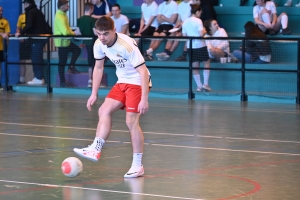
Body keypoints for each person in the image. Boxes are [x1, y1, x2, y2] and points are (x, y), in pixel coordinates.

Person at [73, 16, 152, 178]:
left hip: (137, 82)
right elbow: (98, 67)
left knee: (131, 121)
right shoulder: (98, 44)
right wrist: (94, 93)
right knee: (103, 110)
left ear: (114, 30)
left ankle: (138, 165)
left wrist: (144, 98)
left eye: (106, 34)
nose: (102, 37)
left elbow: (143, 71)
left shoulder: (127, 45)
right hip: (122, 81)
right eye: (99, 33)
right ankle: (96, 149)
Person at [182, 4, 211, 92]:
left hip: (190, 46)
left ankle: (199, 86)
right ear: (197, 11)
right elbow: (201, 34)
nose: (201, 14)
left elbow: (184, 35)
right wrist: (205, 30)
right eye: (200, 12)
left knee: (195, 67)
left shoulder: (185, 21)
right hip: (200, 45)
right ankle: (205, 84)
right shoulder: (198, 21)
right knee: (206, 63)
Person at [54, 0, 81, 87]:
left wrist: (73, 32)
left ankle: (71, 67)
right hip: (62, 43)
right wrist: (74, 33)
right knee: (62, 62)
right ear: (62, 6)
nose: (68, 7)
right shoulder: (59, 16)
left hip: (66, 42)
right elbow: (65, 32)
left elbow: (67, 28)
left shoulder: (64, 15)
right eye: (67, 5)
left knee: (77, 50)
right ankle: (62, 82)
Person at [77, 2, 97, 87]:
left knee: (90, 61)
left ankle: (90, 80)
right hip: (92, 43)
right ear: (91, 9)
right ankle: (92, 80)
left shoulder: (79, 20)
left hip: (85, 42)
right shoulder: (92, 20)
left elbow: (78, 32)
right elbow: (95, 33)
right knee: (93, 61)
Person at [16, 12, 32, 84]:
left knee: (34, 60)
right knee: (22, 61)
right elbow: (18, 28)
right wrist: (20, 36)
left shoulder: (33, 15)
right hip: (23, 42)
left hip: (32, 41)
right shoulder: (21, 16)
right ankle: (22, 80)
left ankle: (35, 78)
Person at [0, 6, 10, 91]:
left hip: (0, 48)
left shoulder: (5, 21)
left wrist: (7, 41)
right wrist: (1, 33)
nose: (1, 12)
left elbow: (7, 34)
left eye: (1, 11)